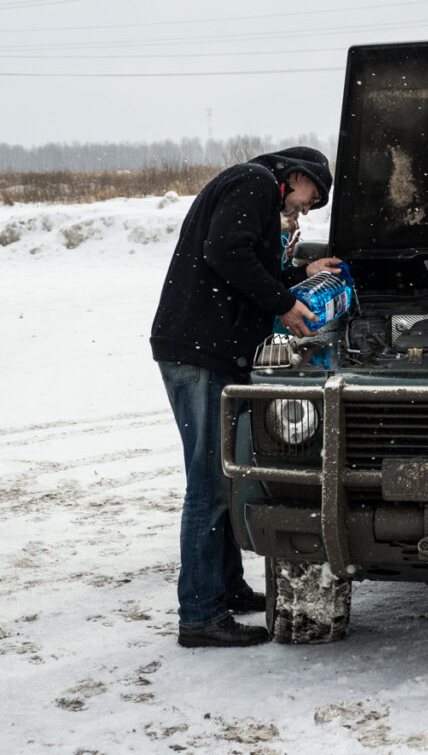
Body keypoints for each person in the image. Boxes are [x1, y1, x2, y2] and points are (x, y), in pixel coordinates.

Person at [150, 146, 341, 647]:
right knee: (210, 484)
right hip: (198, 353)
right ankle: (199, 615)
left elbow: (244, 265)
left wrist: (300, 275)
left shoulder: (254, 189)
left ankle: (226, 588)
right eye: (308, 199)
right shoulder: (254, 183)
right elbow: (226, 253)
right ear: (296, 176)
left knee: (226, 473)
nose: (304, 210)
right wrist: (284, 304)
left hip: (206, 349)